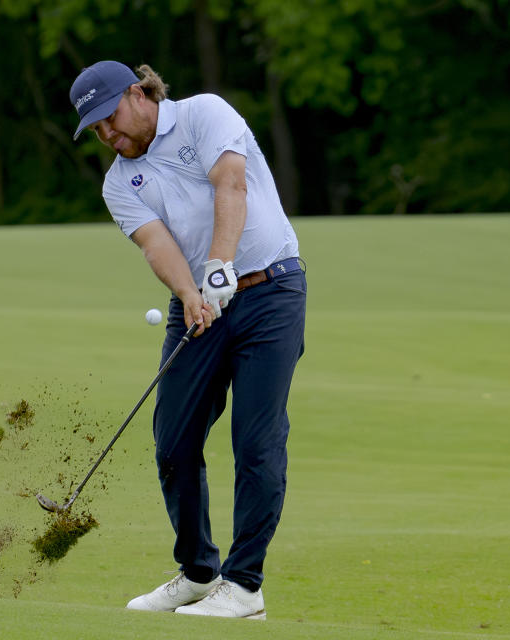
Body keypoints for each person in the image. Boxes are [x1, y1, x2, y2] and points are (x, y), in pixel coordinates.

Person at [69, 60, 306, 620]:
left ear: (137, 93)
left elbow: (231, 183)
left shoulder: (204, 114)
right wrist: (193, 292)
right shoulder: (117, 182)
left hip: (270, 290)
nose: (107, 134)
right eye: (95, 129)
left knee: (255, 442)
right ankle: (199, 573)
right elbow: (157, 246)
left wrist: (219, 265)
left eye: (109, 118)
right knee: (172, 441)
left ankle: (245, 587)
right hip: (198, 303)